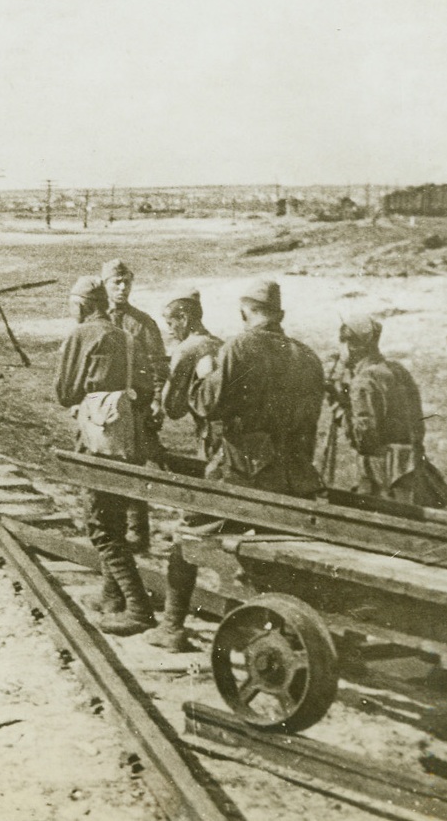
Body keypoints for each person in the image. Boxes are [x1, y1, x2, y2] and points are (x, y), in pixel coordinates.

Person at [149, 279, 325, 652]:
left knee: (188, 536)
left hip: (240, 471)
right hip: (295, 475)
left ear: (245, 312)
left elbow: (207, 404)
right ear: (280, 314)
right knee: (275, 550)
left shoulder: (241, 347)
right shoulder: (307, 355)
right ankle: (283, 630)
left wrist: (202, 378)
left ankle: (170, 627)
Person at [55, 275, 157, 636]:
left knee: (100, 527)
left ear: (82, 304)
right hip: (126, 439)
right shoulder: (126, 335)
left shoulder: (81, 335)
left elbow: (65, 393)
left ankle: (139, 608)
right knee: (114, 516)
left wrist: (89, 399)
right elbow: (145, 388)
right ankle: (112, 598)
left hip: (96, 440)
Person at [335, 313, 447, 507]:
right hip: (413, 469)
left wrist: (339, 409)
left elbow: (364, 441)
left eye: (342, 343)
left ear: (352, 346)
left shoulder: (363, 382)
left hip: (384, 479)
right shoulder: (397, 370)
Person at [101, 259, 169, 554]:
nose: (121, 287)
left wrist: (156, 400)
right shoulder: (96, 320)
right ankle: (107, 532)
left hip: (135, 408)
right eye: (115, 282)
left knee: (135, 468)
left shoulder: (143, 323)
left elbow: (158, 366)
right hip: (103, 409)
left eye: (126, 282)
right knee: (101, 465)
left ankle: (138, 536)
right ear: (104, 285)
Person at [160, 288, 223, 455]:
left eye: (170, 324)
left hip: (209, 434)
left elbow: (172, 409)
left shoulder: (186, 349)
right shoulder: (220, 344)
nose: (170, 331)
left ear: (184, 318)